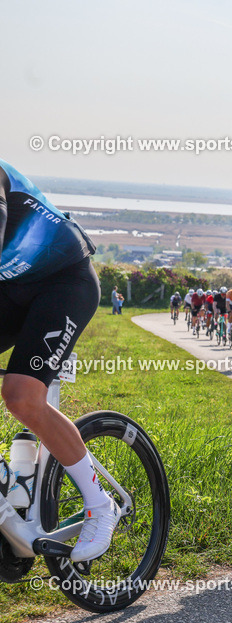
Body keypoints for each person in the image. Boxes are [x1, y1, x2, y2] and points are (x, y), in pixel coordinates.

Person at [0, 158, 118, 562]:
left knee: (21, 396)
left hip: (64, 282)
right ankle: (12, 485)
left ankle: (101, 506)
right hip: (12, 290)